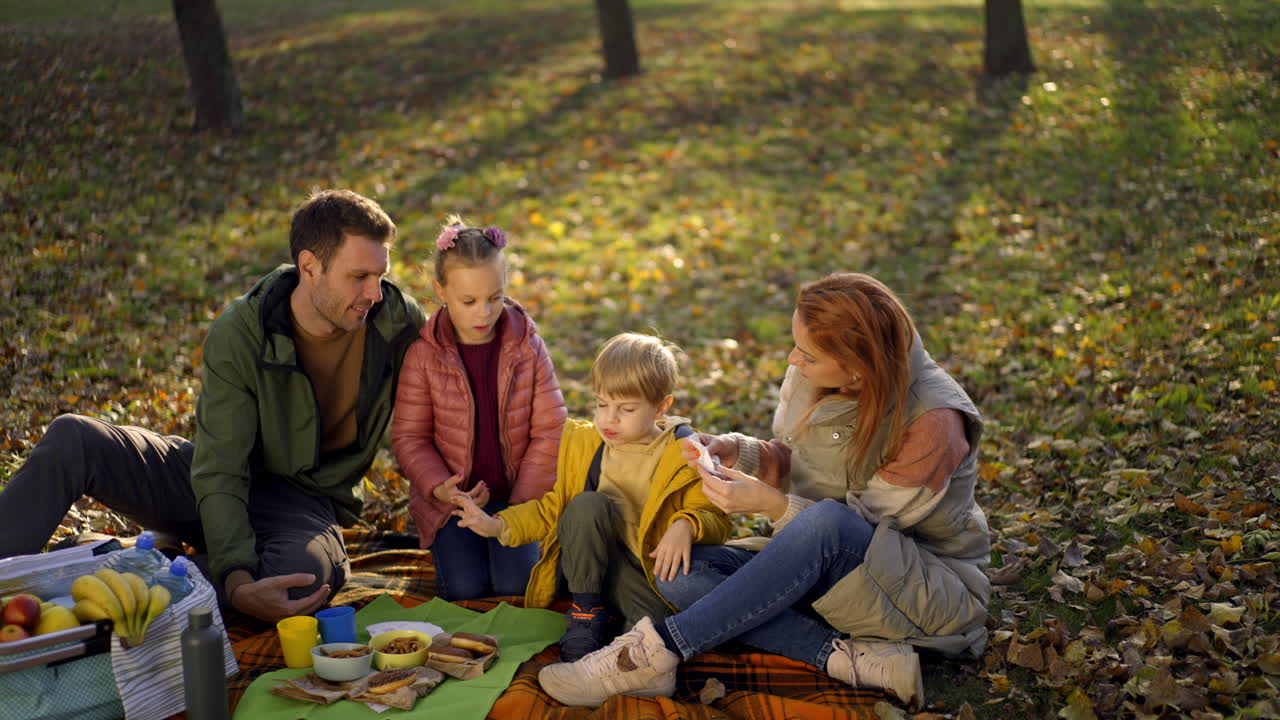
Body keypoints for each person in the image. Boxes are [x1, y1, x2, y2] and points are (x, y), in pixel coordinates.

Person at [536, 273, 989, 710]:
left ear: (856, 367)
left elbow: (853, 536)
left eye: (808, 355)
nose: (794, 360)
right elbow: (802, 462)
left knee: (826, 524)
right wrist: (737, 450)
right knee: (679, 574)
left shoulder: (932, 424)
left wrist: (771, 505)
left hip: (922, 590)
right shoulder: (822, 377)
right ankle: (852, 659)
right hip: (824, 570)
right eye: (796, 344)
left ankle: (653, 656)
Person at [0, 190, 426, 623]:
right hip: (219, 478)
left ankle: (100, 572)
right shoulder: (242, 331)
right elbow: (220, 468)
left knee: (301, 577)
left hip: (305, 506)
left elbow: (453, 388)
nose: (375, 291)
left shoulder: (397, 322)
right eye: (359, 276)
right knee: (76, 439)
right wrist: (236, 581)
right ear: (309, 267)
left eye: (380, 274)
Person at [450, 333, 732, 661]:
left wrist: (687, 523)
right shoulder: (587, 446)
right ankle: (585, 616)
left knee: (650, 632)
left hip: (641, 575)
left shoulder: (682, 452)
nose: (609, 419)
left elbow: (716, 516)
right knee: (587, 504)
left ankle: (619, 654)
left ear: (661, 406)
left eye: (625, 408)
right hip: (589, 568)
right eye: (601, 404)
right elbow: (554, 510)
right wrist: (497, 525)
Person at [390, 217, 566, 601]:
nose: (484, 313)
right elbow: (409, 436)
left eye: (495, 298)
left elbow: (551, 431)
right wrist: (440, 486)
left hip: (516, 500)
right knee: (467, 590)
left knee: (515, 588)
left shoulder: (528, 347)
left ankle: (551, 548)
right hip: (454, 504)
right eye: (468, 302)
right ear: (441, 291)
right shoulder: (423, 356)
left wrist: (517, 511)